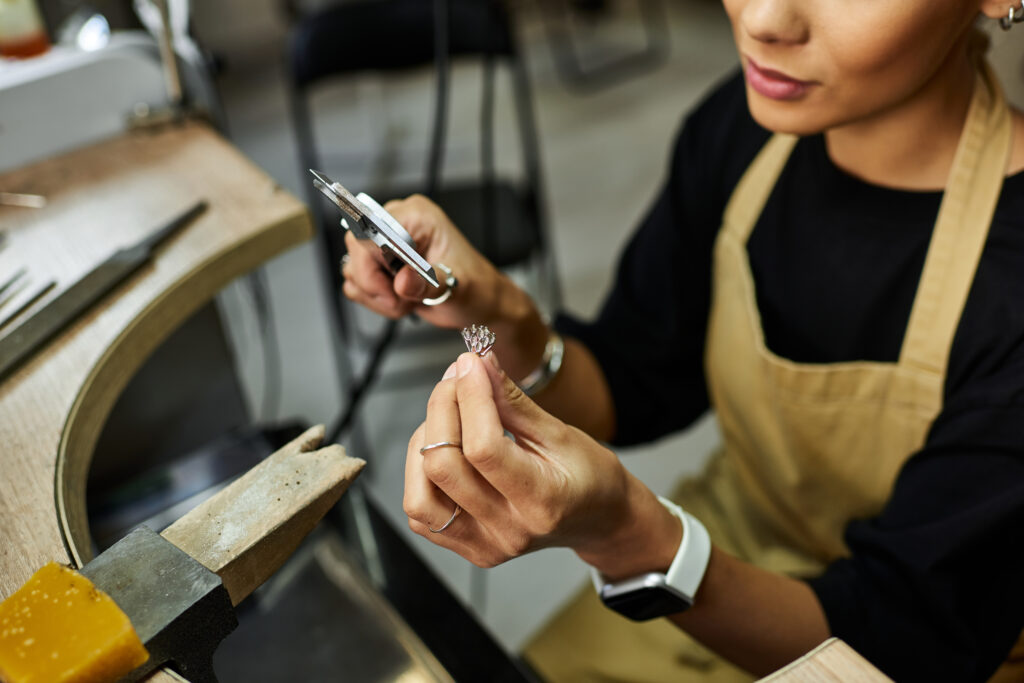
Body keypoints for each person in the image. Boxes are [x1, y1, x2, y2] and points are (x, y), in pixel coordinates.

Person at [338, 0, 1024, 679]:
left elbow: (901, 640)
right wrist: (494, 306)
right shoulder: (746, 127)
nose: (763, 20)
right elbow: (631, 378)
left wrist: (626, 536)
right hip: (722, 546)